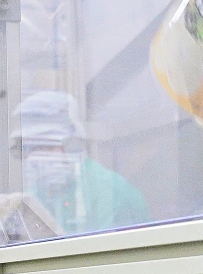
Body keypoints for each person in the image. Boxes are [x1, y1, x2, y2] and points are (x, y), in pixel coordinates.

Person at [8, 90, 149, 236]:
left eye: (46, 146)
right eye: (28, 149)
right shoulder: (37, 195)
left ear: (72, 145)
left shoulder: (111, 194)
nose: (35, 159)